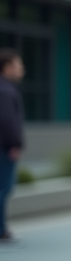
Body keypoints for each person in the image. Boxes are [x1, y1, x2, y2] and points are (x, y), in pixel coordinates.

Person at [0, 48, 25, 244]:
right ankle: (1, 229)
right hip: (4, 147)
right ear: (7, 67)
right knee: (4, 187)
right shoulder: (7, 91)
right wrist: (14, 144)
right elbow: (8, 121)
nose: (21, 69)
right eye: (18, 65)